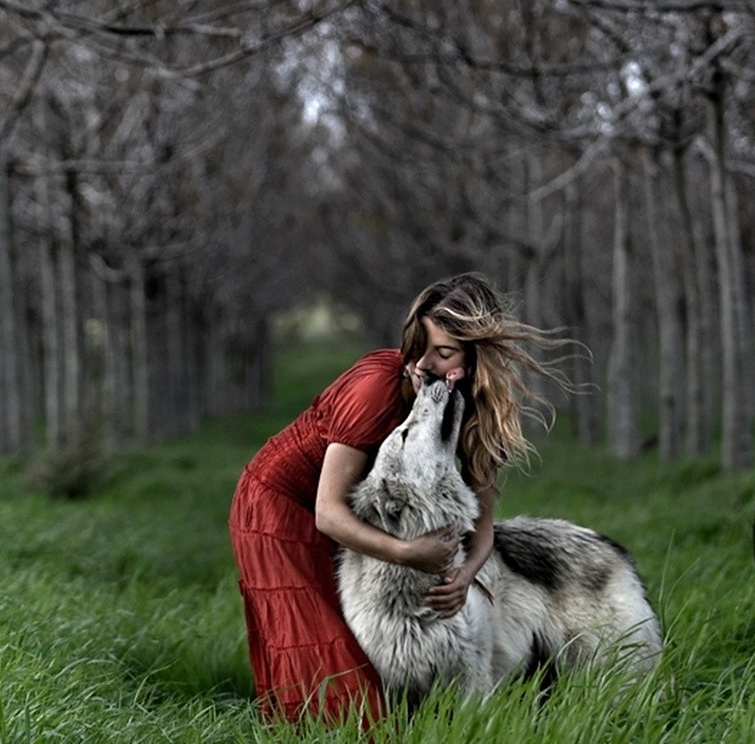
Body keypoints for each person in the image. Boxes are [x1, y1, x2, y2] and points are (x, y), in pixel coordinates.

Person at [227, 272, 575, 725]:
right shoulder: (378, 387)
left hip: (357, 513)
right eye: (420, 346)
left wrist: (463, 576)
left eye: (444, 353)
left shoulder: (474, 413)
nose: (424, 364)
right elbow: (328, 513)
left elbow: (482, 523)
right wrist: (409, 553)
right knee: (327, 657)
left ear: (474, 360)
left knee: (352, 655)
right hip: (282, 504)